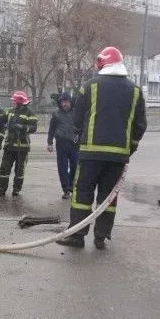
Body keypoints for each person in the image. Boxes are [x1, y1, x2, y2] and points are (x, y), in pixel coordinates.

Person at [57, 47, 147, 250]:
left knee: (82, 194)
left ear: (101, 64)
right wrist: (129, 148)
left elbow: (77, 118)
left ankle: (77, 236)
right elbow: (140, 125)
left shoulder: (90, 86)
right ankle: (101, 236)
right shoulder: (135, 91)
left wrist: (79, 140)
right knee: (108, 197)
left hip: (91, 154)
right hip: (118, 158)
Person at [0, 91, 38, 197]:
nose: (13, 103)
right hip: (9, 145)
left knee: (19, 170)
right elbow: (2, 120)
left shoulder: (30, 113)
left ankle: (16, 189)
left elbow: (33, 128)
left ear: (20, 102)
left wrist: (23, 127)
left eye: (15, 101)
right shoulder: (11, 111)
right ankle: (1, 188)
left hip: (22, 147)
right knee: (4, 168)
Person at [47, 91, 78, 199]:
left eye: (67, 102)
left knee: (75, 166)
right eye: (63, 102)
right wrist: (49, 143)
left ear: (70, 102)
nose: (65, 104)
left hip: (74, 144)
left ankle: (71, 185)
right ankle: (66, 190)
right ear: (60, 103)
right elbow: (51, 129)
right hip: (61, 144)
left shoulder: (76, 113)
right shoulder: (56, 114)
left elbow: (81, 127)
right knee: (62, 168)